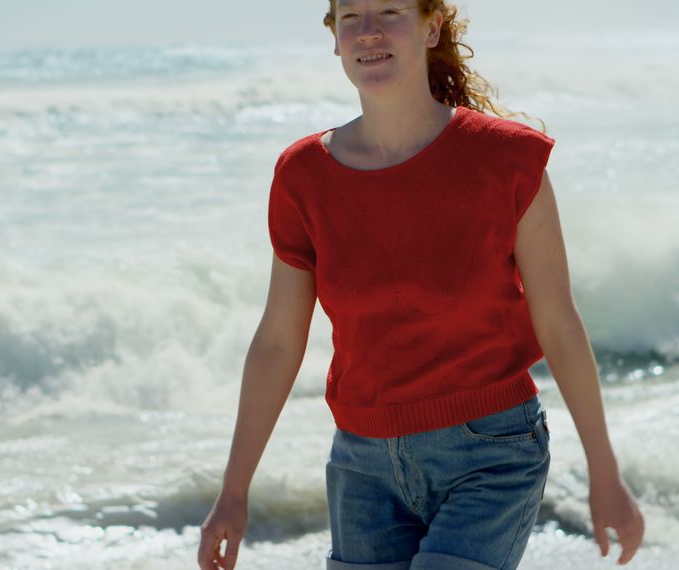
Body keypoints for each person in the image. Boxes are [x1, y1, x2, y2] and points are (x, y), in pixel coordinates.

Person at [198, 1, 645, 568]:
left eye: (390, 10)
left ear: (431, 27)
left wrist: (605, 475)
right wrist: (233, 492)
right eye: (352, 16)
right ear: (334, 37)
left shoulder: (507, 158)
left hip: (491, 456)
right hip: (361, 466)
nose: (370, 31)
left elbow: (558, 323)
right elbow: (278, 342)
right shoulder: (302, 175)